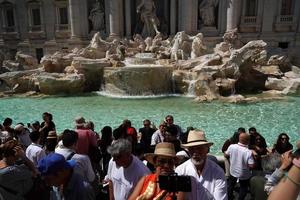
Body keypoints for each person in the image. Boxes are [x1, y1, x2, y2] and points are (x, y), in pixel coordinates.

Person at [175, 130, 227, 200]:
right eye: (192, 149)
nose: (195, 152)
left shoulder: (218, 172)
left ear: (207, 150)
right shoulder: (180, 170)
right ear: (188, 150)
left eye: (199, 148)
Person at [224, 132, 255, 200]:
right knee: (243, 188)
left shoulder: (232, 146)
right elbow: (251, 165)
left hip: (233, 171)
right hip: (243, 174)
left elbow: (226, 155)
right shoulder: (248, 152)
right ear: (248, 141)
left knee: (231, 185)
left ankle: (229, 197)